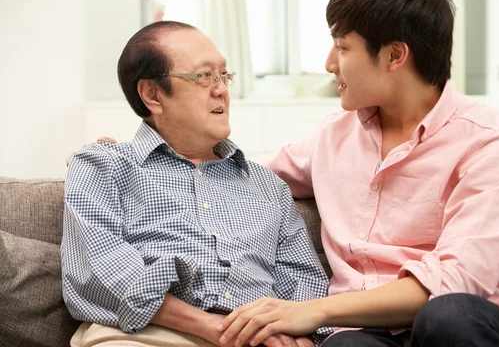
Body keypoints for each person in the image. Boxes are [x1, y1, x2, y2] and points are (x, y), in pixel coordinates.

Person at [214, 0, 499, 347]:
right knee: (346, 346)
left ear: (394, 56)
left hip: (463, 329)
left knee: (447, 315)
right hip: (363, 334)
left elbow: (457, 281)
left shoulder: (493, 143)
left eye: (342, 47)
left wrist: (314, 310)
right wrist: (134, 157)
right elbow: (243, 177)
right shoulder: (333, 136)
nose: (330, 64)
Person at [61, 20, 331, 347]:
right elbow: (101, 271)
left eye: (224, 75)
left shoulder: (267, 185)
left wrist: (302, 336)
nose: (221, 89)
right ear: (152, 94)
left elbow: (303, 279)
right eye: (204, 76)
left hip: (261, 337)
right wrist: (220, 330)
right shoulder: (103, 165)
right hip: (145, 334)